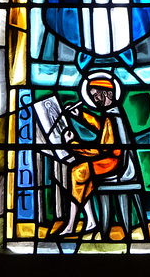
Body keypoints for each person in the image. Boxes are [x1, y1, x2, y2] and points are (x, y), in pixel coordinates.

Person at [56, 72, 137, 236]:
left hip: (116, 163)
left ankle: (74, 223)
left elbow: (100, 150)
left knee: (78, 171)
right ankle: (89, 220)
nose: (94, 100)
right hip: (112, 159)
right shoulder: (113, 112)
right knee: (79, 171)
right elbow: (103, 127)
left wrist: (74, 144)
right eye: (92, 96)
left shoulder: (113, 115)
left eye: (96, 95)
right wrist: (82, 115)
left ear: (107, 93)